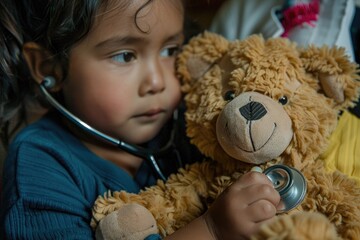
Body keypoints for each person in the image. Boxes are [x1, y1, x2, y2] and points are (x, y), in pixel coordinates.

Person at [0, 0, 281, 239]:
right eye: (125, 56)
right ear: (48, 67)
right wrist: (212, 229)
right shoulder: (41, 164)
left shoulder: (191, 127)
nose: (157, 82)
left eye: (170, 51)